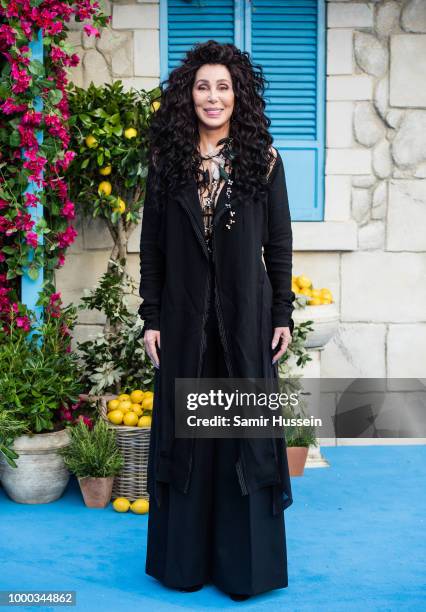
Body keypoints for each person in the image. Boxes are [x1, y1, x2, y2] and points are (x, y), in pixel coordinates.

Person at [138, 40, 296, 601]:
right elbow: (151, 248)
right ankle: (183, 564)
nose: (213, 96)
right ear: (189, 95)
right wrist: (151, 315)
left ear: (238, 96)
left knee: (240, 440)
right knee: (190, 441)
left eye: (223, 87)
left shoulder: (264, 159)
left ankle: (244, 571)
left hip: (244, 318)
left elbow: (279, 245)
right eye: (203, 86)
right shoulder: (167, 162)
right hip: (183, 319)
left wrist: (282, 312)